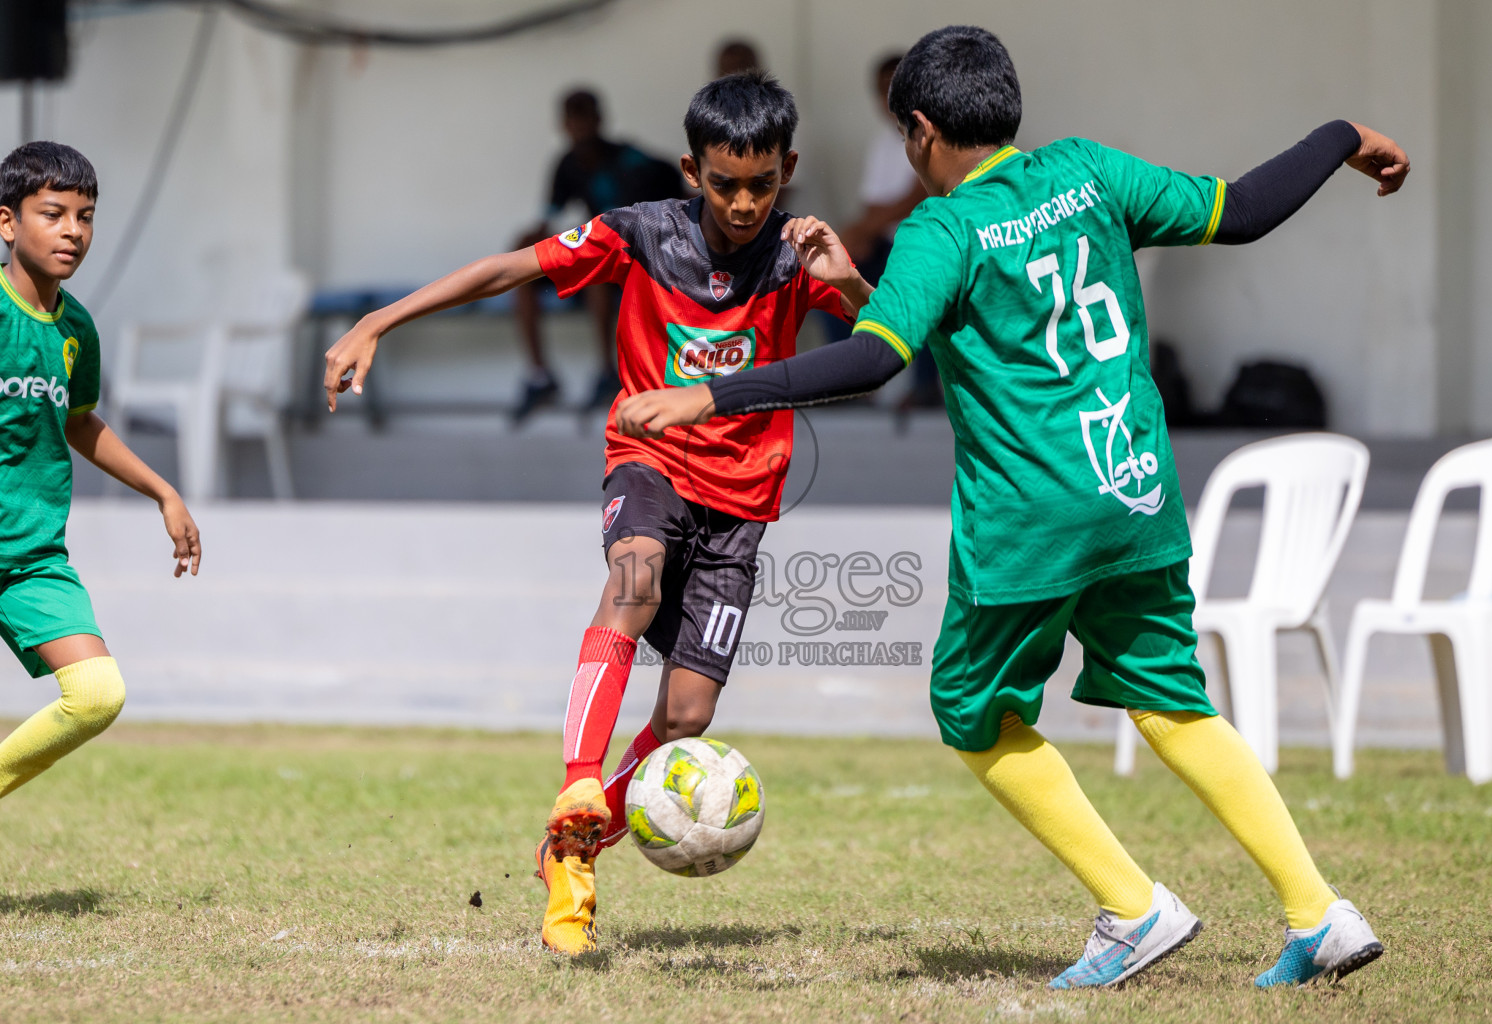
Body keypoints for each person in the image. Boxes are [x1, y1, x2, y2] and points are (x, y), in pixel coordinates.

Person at [613, 25, 1410, 989]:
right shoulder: (1090, 173)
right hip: (1135, 496)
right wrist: (1340, 133)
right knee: (1172, 700)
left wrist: (711, 393)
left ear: (918, 130)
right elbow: (1241, 212)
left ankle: (1132, 907)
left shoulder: (943, 228)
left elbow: (874, 360)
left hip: (1031, 519)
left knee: (971, 708)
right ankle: (1318, 910)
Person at [322, 71, 872, 956]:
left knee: (687, 714)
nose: (741, 201)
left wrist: (849, 284)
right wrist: (381, 320)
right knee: (634, 576)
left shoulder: (796, 258)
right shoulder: (641, 232)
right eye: (723, 182)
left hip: (742, 512)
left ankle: (571, 842)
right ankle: (580, 788)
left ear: (788, 170)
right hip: (648, 463)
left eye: (760, 184)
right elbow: (512, 268)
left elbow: (880, 348)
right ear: (691, 170)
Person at [0, 142, 201, 807]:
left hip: (31, 559)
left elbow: (80, 422)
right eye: (53, 213)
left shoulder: (76, 327)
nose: (73, 232)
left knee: (96, 695)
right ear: (7, 223)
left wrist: (164, 492)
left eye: (84, 217)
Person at [510, 89, 687, 422]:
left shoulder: (630, 159)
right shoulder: (567, 163)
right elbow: (549, 216)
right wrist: (530, 240)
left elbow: (670, 184)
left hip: (638, 261)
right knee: (523, 264)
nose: (579, 125)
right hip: (600, 252)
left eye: (585, 115)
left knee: (597, 270)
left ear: (600, 119)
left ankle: (607, 372)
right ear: (562, 124)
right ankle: (539, 375)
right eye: (572, 117)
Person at [828, 51, 941, 408]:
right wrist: (859, 235)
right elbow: (876, 206)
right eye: (881, 90)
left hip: (929, 243)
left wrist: (861, 229)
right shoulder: (882, 142)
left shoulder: (931, 131)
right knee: (829, 283)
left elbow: (918, 194)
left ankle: (926, 389)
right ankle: (850, 385)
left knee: (923, 284)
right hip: (890, 243)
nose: (888, 98)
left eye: (894, 87)